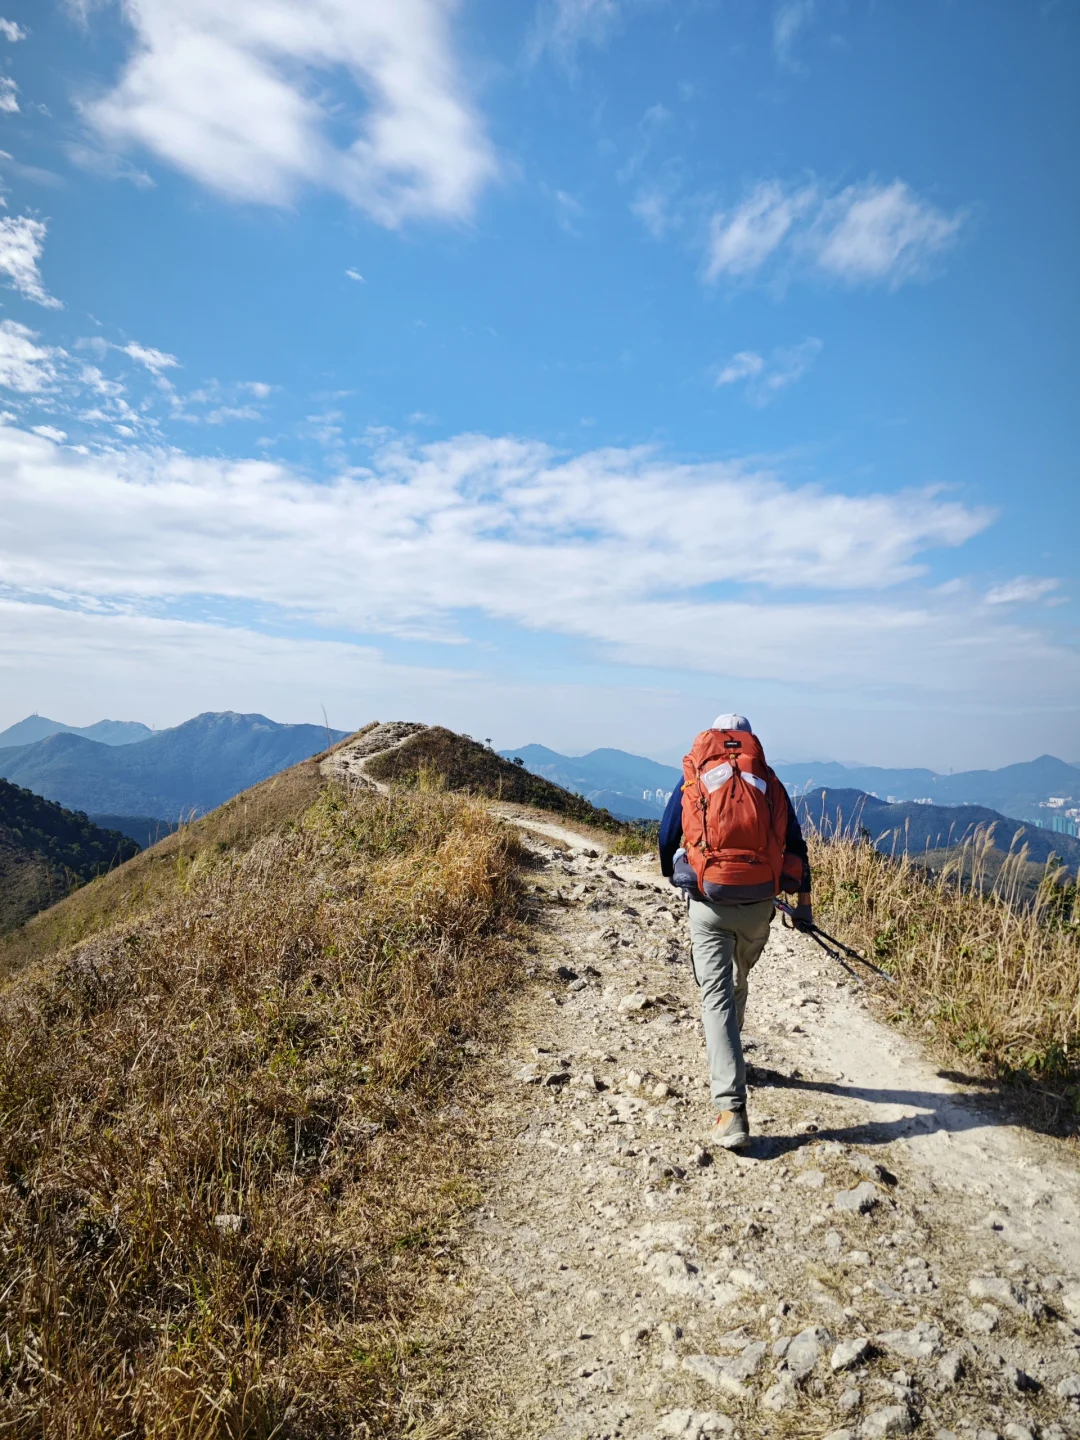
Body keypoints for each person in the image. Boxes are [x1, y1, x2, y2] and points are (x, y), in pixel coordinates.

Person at [658, 713, 812, 1150]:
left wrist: (677, 875)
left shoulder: (696, 775)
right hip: (759, 903)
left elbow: (669, 835)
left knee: (716, 996)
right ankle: (732, 1049)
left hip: (710, 900)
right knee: (738, 980)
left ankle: (731, 1110)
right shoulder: (768, 781)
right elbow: (795, 844)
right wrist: (804, 906)